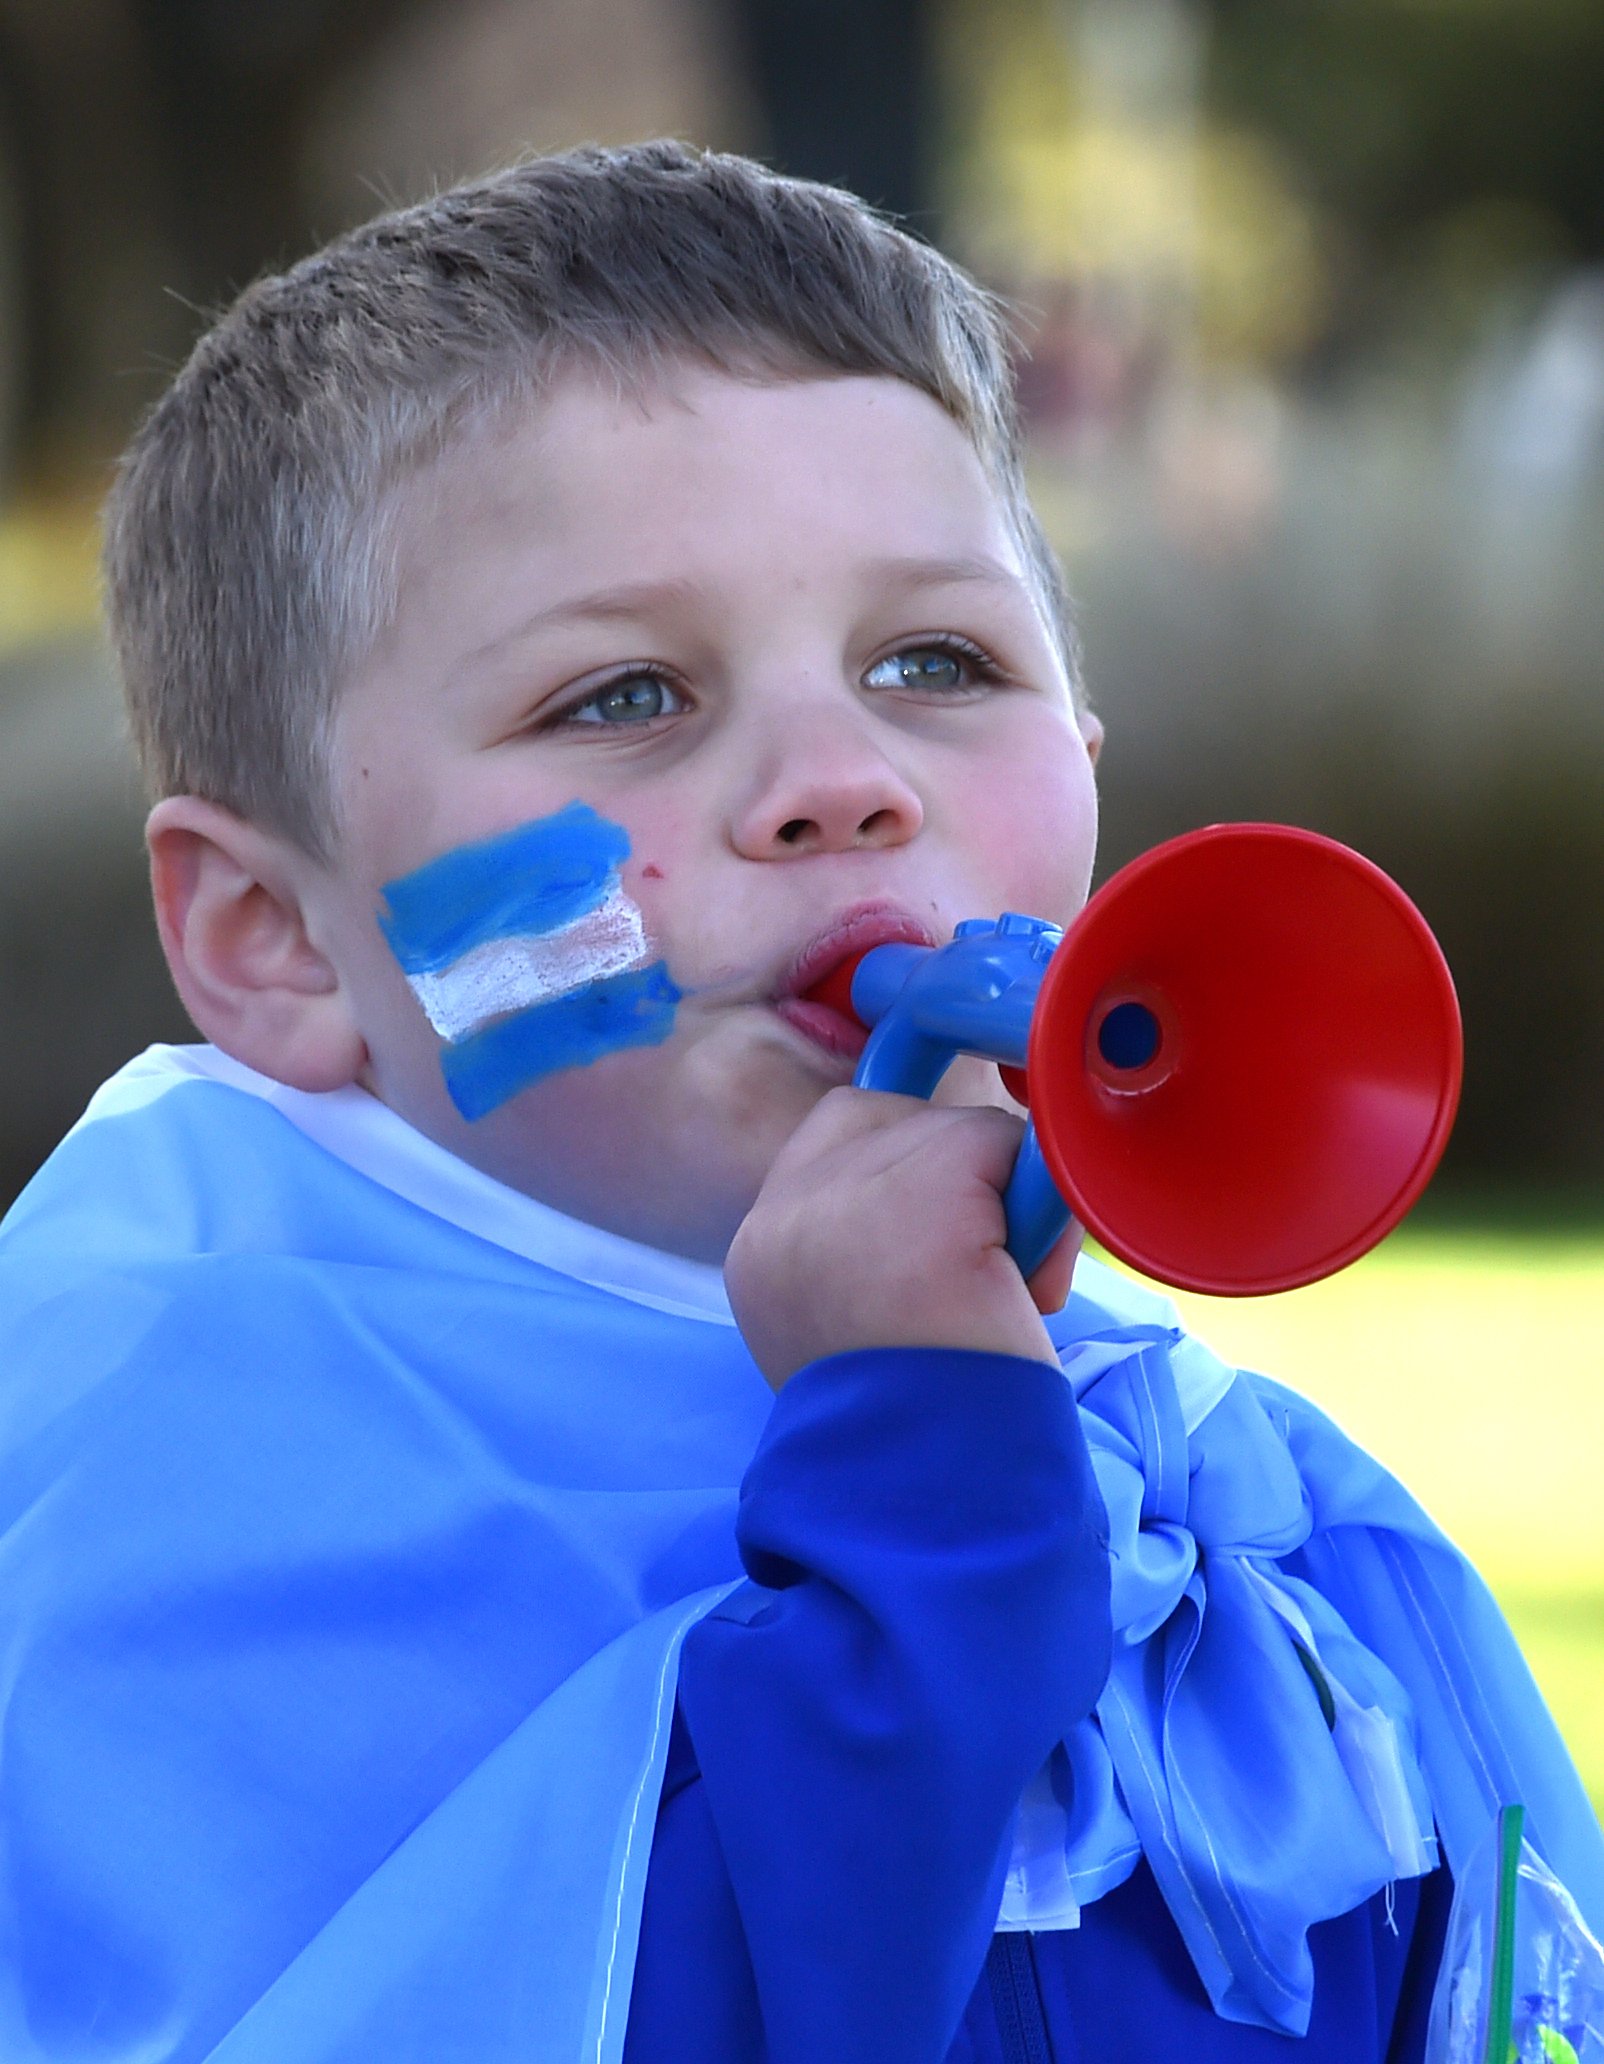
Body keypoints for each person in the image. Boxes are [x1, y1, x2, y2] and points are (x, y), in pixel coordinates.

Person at [0, 141, 1598, 2064]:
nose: (844, 781)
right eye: (625, 698)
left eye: (938, 662)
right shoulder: (166, 1504)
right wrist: (925, 1497)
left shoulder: (1271, 1514)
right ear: (279, 940)